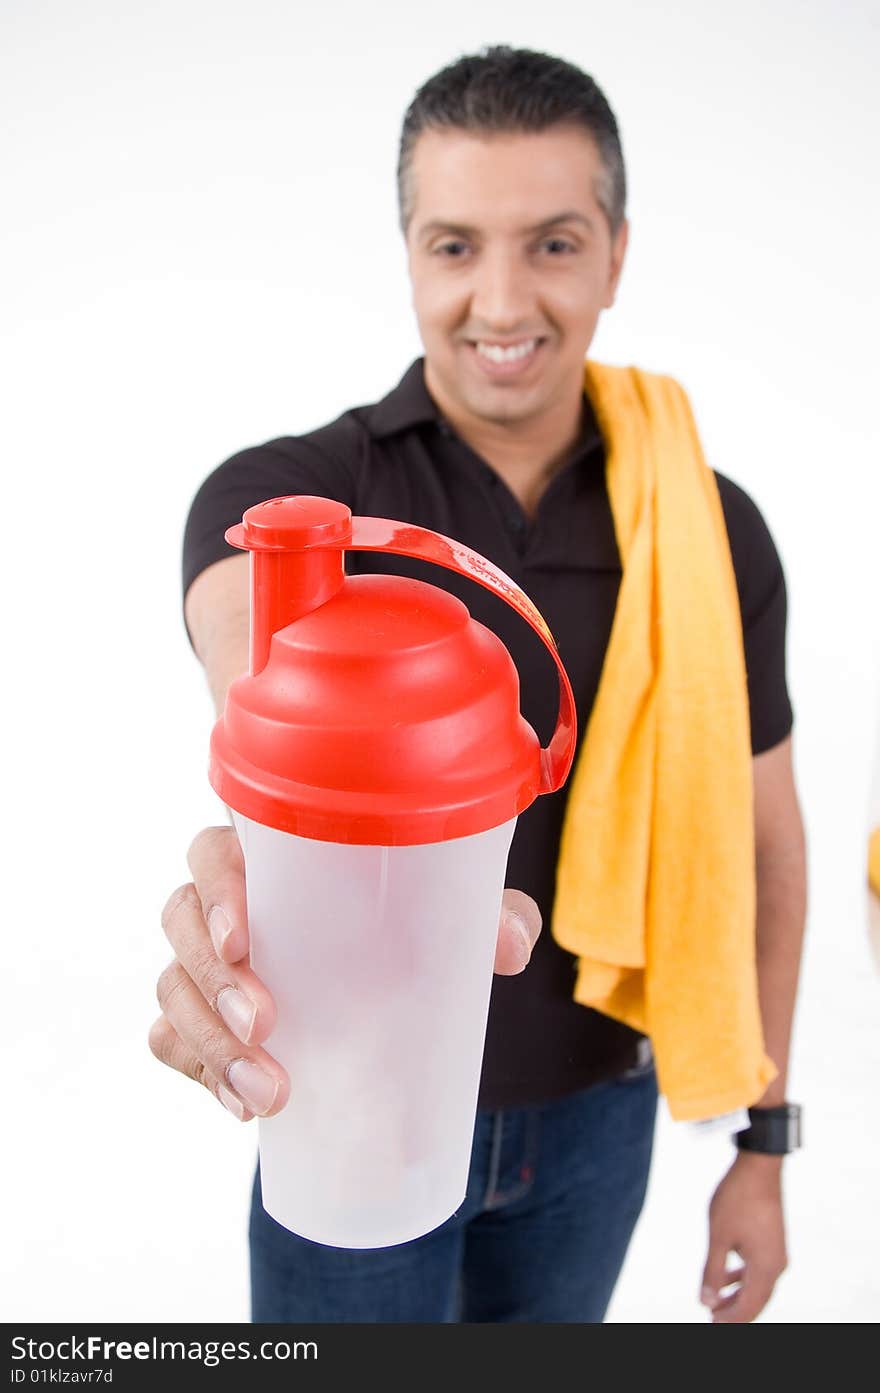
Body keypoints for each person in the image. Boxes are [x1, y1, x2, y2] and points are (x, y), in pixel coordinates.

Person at [150, 45, 807, 1323]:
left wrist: (763, 1147)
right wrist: (288, 748)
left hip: (595, 1117)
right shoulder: (306, 509)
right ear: (407, 255)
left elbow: (767, 849)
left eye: (551, 243)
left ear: (616, 252)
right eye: (454, 246)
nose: (500, 299)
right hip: (345, 1111)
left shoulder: (710, 533)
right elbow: (250, 641)